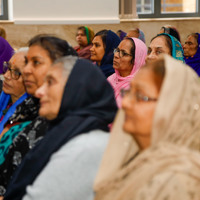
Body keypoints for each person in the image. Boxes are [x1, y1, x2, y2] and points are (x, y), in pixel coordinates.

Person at [4, 56, 118, 200]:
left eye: (50, 82)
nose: (39, 92)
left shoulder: (87, 146)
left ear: (75, 89)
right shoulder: (63, 131)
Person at [94, 55, 200, 200]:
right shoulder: (136, 160)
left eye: (141, 96)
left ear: (173, 109)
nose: (125, 104)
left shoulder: (178, 180)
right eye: (129, 92)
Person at [0, 34, 78, 197]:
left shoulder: (46, 119)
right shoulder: (25, 106)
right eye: (7, 67)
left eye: (16, 72)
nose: (6, 75)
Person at [107, 37, 147, 107]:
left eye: (124, 53)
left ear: (136, 60)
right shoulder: (111, 79)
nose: (116, 55)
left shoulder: (139, 88)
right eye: (117, 50)